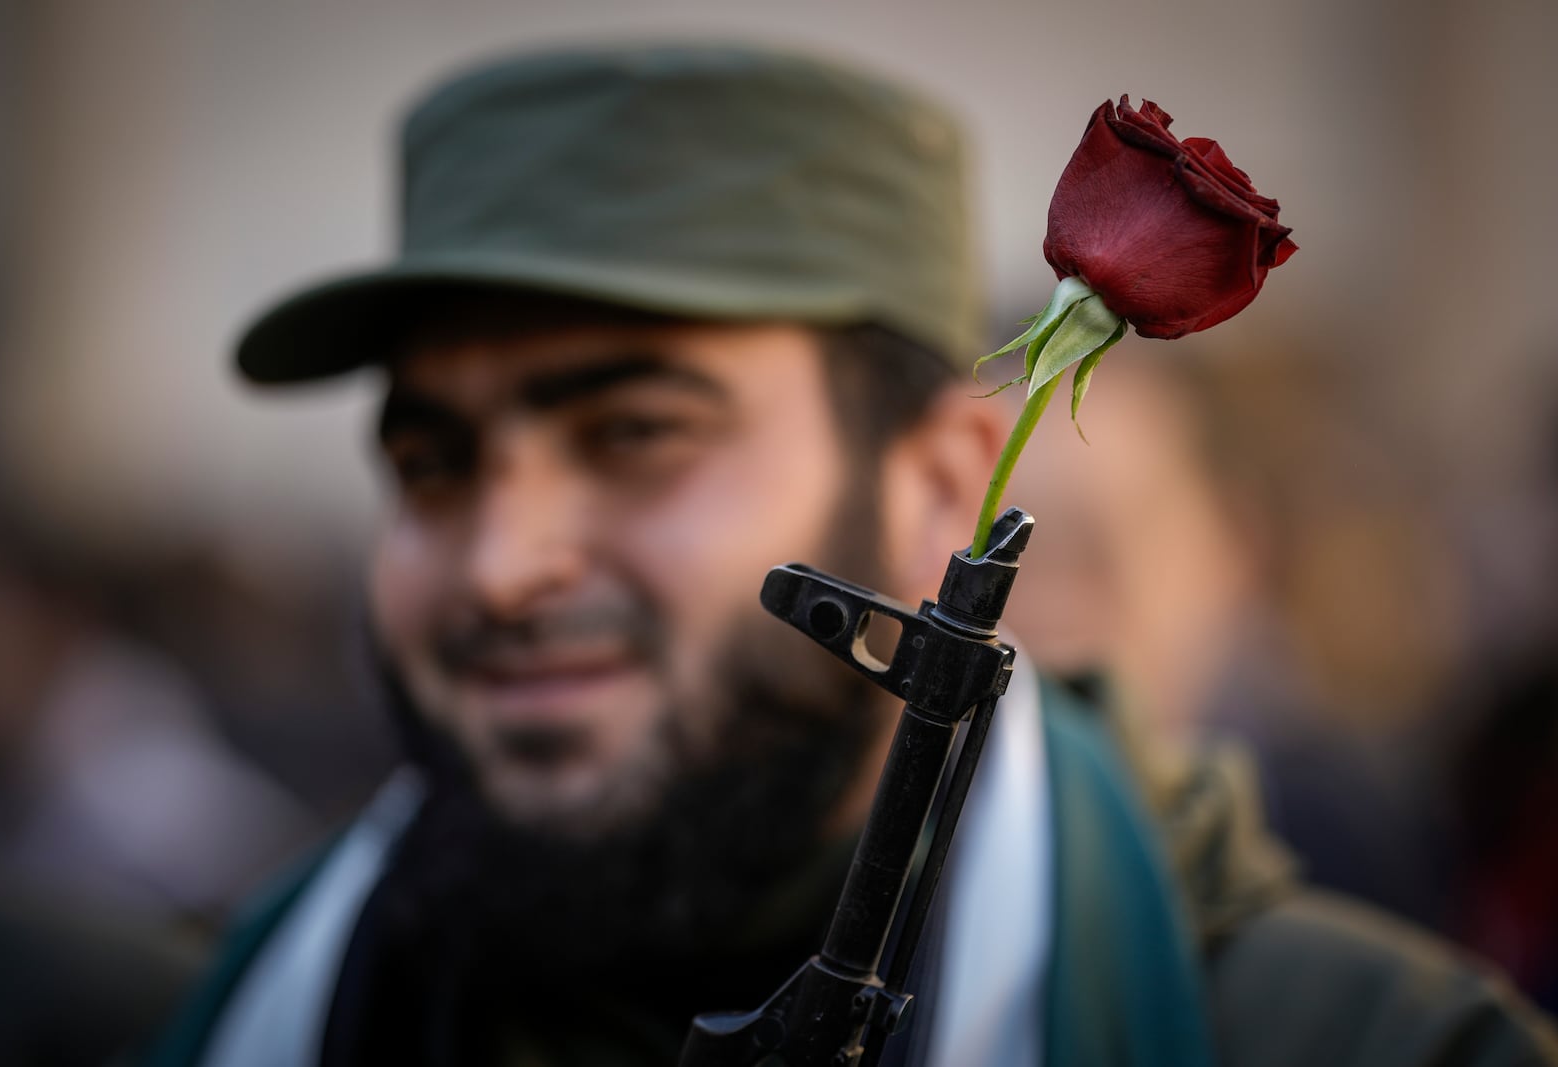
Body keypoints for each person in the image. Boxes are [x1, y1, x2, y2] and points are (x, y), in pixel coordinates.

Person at [141, 44, 1558, 1067]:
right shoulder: (195, 1005)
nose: (502, 565)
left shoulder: (1376, 1046)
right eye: (430, 462)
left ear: (944, 481)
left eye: (637, 433)